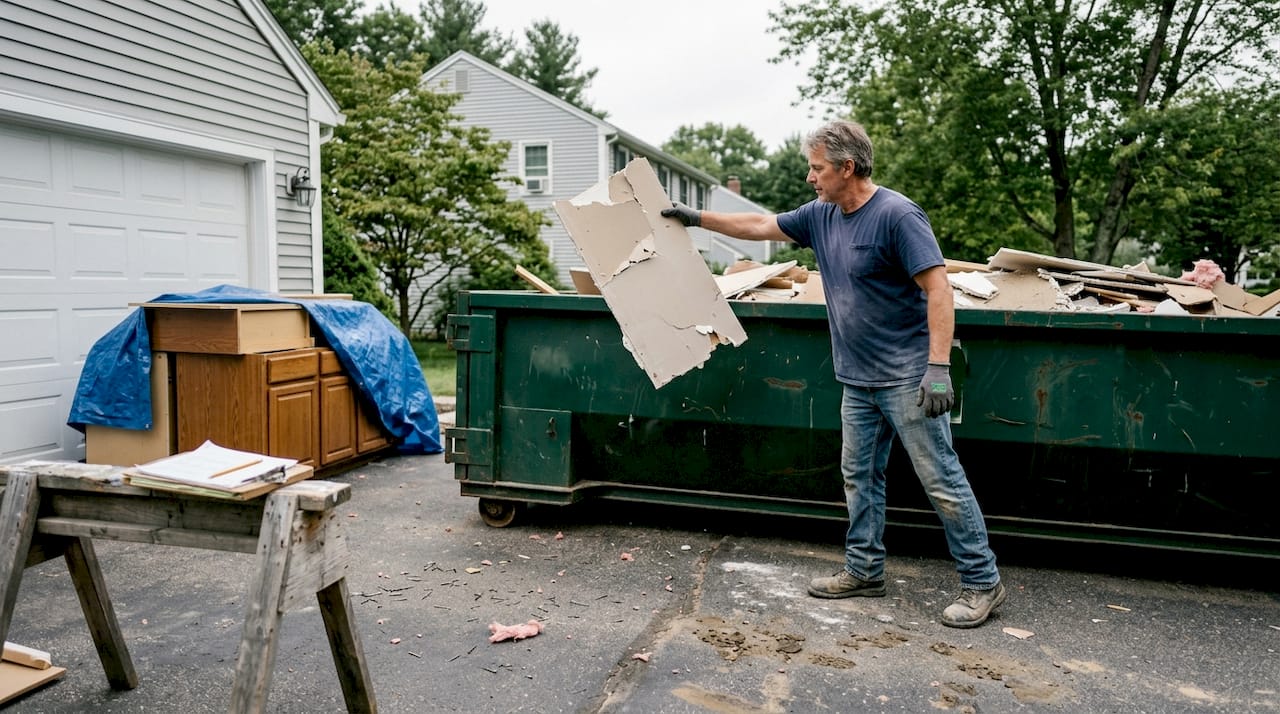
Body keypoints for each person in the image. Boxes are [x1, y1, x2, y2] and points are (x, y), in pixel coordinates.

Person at [661, 120, 1005, 628]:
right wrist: (694, 218)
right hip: (857, 380)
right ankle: (864, 570)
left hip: (907, 378)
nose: (810, 177)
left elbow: (939, 290)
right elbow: (759, 226)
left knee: (941, 479)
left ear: (847, 167)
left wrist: (938, 368)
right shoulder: (820, 215)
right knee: (858, 476)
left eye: (817, 168)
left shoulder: (897, 215)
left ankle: (983, 582)